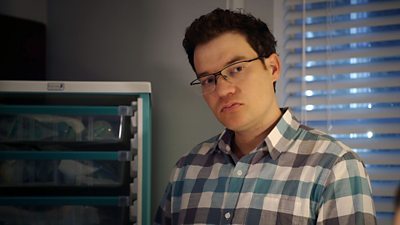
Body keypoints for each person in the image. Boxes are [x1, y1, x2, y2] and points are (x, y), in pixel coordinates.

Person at [154, 8, 376, 225]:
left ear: (273, 67)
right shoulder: (187, 169)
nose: (222, 91)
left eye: (236, 69)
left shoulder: (334, 167)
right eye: (208, 80)